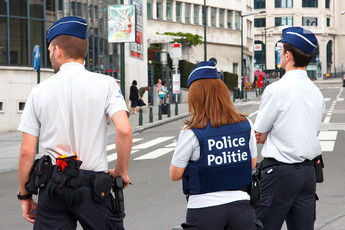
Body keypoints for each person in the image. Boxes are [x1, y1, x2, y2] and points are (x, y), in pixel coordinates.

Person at [17, 16, 132, 229]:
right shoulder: (106, 84)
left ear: (58, 51)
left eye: (50, 51)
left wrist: (25, 196)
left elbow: (26, 152)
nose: (50, 55)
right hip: (94, 188)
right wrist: (121, 171)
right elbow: (124, 129)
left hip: (53, 187)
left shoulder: (38, 92)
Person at [170, 61, 259, 230]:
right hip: (242, 207)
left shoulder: (191, 131)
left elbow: (175, 174)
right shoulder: (246, 124)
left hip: (204, 211)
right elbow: (252, 164)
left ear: (195, 97)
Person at [254, 27, 325, 230]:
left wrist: (269, 134)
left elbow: (259, 133)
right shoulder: (316, 92)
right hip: (308, 174)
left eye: (281, 49)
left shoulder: (276, 89)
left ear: (287, 55)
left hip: (279, 173)